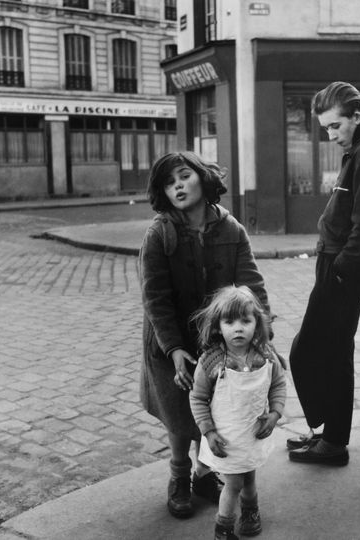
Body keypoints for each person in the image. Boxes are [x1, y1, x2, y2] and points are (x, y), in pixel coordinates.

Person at [138, 151, 274, 519]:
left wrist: (264, 335)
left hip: (218, 339)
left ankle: (203, 474)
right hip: (170, 341)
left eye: (184, 176)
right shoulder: (159, 233)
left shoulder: (232, 230)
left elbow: (253, 287)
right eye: (169, 183)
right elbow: (155, 298)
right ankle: (179, 475)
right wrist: (173, 349)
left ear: (203, 177)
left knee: (215, 407)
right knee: (179, 412)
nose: (178, 186)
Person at [287, 81, 360, 466]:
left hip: (343, 267)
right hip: (336, 264)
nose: (330, 136)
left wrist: (340, 272)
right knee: (328, 351)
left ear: (357, 116)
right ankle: (329, 434)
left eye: (335, 126)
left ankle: (332, 442)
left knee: (313, 352)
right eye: (326, 129)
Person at [188, 286, 286, 539]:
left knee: (249, 477)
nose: (238, 328)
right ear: (218, 326)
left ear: (257, 323)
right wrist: (208, 432)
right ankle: (223, 528)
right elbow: (198, 397)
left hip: (253, 434)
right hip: (226, 438)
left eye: (245, 321)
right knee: (233, 484)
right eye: (230, 322)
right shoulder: (211, 361)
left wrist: (275, 414)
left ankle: (251, 511)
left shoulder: (266, 355)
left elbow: (278, 384)